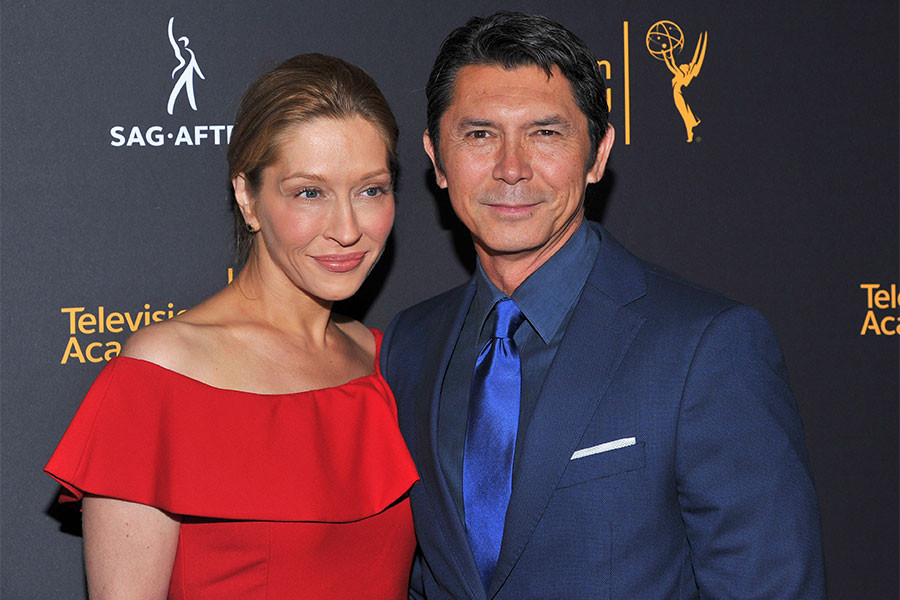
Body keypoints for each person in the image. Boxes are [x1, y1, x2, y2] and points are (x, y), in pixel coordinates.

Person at [380, 12, 825, 599]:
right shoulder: (409, 345)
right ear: (436, 158)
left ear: (598, 155)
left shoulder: (706, 347)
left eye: (546, 133)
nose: (511, 168)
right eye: (480, 134)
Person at [45, 53, 417, 599]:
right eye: (309, 192)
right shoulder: (158, 377)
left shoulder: (385, 361)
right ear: (248, 196)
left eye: (371, 190)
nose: (347, 228)